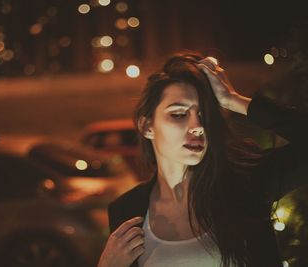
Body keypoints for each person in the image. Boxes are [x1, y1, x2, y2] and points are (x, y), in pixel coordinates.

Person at [97, 51, 308, 267]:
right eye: (179, 114)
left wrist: (234, 100)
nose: (197, 127)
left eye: (203, 115)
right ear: (146, 126)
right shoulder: (126, 209)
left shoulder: (245, 185)